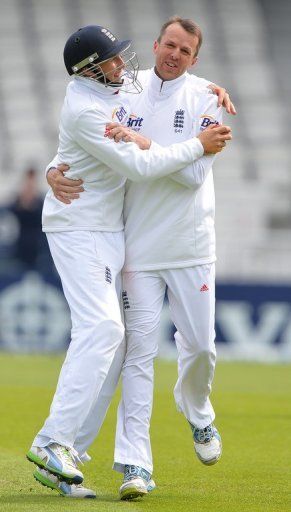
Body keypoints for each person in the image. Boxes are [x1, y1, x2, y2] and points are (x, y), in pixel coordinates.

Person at [26, 23, 232, 499]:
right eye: (113, 60)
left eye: (186, 50)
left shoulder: (123, 88)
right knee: (107, 333)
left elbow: (182, 167)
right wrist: (191, 144)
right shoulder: (88, 106)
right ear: (91, 71)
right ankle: (56, 442)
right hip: (85, 228)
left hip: (122, 233)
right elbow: (141, 166)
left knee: (139, 345)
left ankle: (67, 453)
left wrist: (60, 165)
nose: (124, 66)